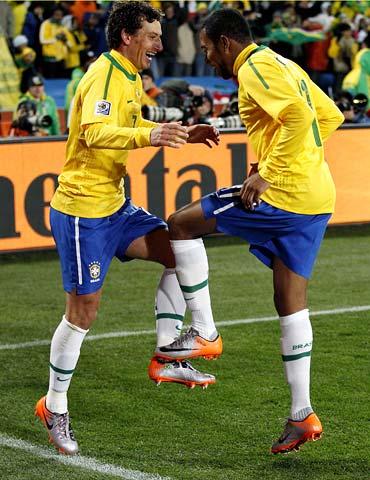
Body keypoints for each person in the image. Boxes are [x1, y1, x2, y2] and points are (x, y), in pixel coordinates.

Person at [155, 8, 344, 455]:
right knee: (290, 300)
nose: (207, 60)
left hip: (284, 195)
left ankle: (203, 332)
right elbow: (330, 116)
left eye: (206, 50)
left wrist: (269, 173)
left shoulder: (255, 68)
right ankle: (301, 414)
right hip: (316, 198)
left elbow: (300, 118)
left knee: (180, 223)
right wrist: (289, 163)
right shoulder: (283, 63)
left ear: (225, 43)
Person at [34, 1, 219, 456]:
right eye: (152, 36)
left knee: (180, 250)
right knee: (83, 312)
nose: (159, 43)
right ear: (127, 37)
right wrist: (148, 136)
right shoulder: (102, 75)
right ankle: (54, 406)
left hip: (115, 204)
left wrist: (174, 129)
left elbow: (128, 123)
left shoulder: (130, 76)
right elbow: (96, 131)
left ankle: (167, 354)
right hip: (82, 211)